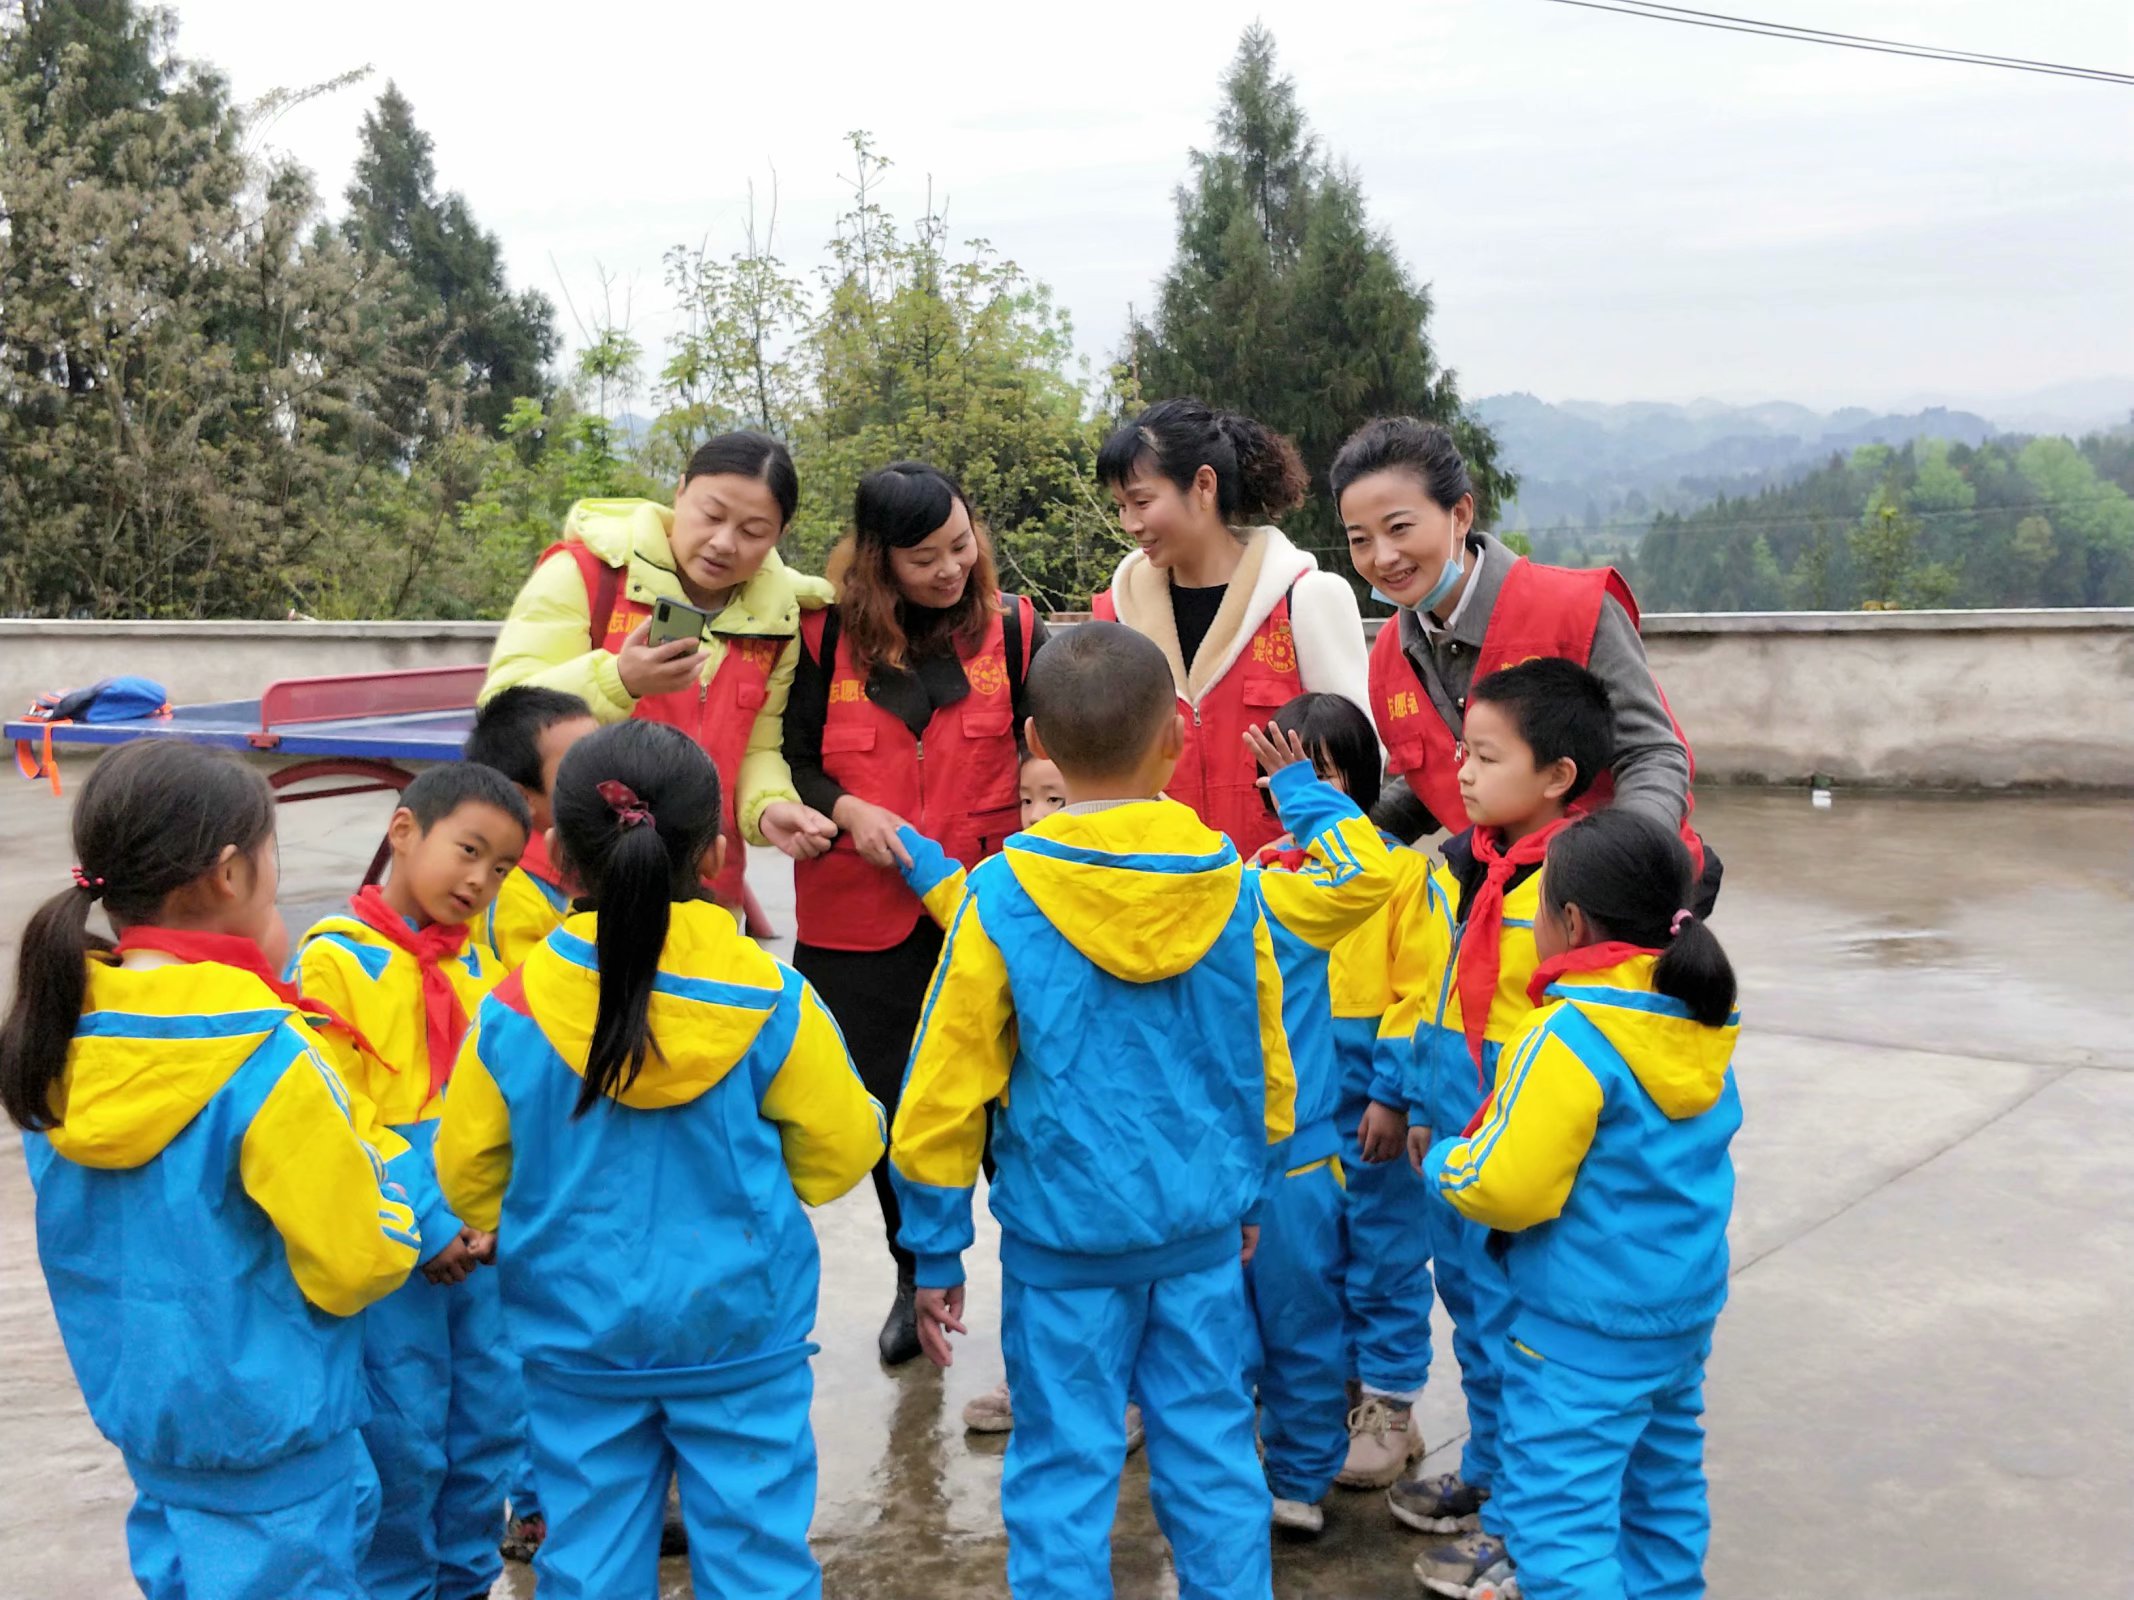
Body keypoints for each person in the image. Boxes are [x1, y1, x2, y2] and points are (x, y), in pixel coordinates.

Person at [890, 621, 1299, 1600]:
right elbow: (1264, 1059)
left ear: (1035, 742)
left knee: (1063, 1469)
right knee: (1213, 1453)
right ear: (1177, 738)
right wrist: (1250, 1191)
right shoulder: (1232, 884)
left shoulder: (1000, 895)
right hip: (1199, 1234)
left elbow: (943, 1087)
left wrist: (936, 1248)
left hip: (1062, 1245)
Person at [434, 720, 885, 1600]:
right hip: (739, 1333)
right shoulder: (771, 999)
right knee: (759, 1565)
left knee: (589, 1563)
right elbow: (837, 1158)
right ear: (715, 854)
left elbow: (468, 1176)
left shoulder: (513, 1009)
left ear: (558, 856)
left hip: (576, 1339)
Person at [1, 741, 420, 1600]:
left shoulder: (58, 1038)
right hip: (277, 1446)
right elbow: (357, 1263)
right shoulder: (268, 1057)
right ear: (230, 874)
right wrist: (398, 1199)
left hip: (155, 1441)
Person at [1418, 809, 1742, 1600]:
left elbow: (1509, 1187)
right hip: (1677, 1321)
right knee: (1661, 1500)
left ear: (1569, 922)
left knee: (1557, 1527)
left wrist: (1446, 1164)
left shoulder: (1565, 1034)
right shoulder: (1698, 1021)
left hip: (1578, 1335)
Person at [780, 461, 1049, 1365]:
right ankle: (912, 1275)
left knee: (1017, 1107)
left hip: (988, 912)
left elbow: (1055, 756)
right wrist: (843, 806)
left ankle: (1045, 1285)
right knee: (890, 1111)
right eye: (924, 557)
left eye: (961, 546)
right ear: (878, 560)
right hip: (857, 923)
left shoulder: (1015, 631)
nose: (950, 569)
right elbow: (787, 760)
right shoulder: (821, 637)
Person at [1387, 659, 1614, 1596]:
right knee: (1477, 1327)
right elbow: (1438, 991)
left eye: (1486, 757)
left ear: (1557, 775)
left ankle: (1522, 1527)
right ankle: (1489, 1473)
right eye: (1462, 753)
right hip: (1455, 1142)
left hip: (1514, 1161)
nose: (1464, 773)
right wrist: (1418, 1102)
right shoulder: (1476, 864)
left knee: (1520, 1339)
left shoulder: (1574, 890)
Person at [294, 764, 532, 1600]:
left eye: (501, 868)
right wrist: (430, 1223)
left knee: (488, 1426)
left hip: (480, 1249)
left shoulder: (481, 974)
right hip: (395, 1247)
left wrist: (496, 1214)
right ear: (403, 832)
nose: (479, 881)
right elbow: (339, 1117)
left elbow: (501, 1110)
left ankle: (466, 1584)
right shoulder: (332, 964)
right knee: (402, 1437)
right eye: (468, 850)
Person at [1332, 417, 1719, 910]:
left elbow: (1651, 754)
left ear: (1460, 514)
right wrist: (1334, 838)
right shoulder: (1390, 656)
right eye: (1360, 539)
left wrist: (1619, 864)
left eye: (1399, 528)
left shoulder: (1574, 609)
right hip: (1502, 901)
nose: (1383, 557)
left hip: (1617, 900)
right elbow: (1436, 773)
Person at [479, 431, 840, 920]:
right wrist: (618, 681)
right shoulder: (589, 574)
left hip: (700, 890)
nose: (723, 543)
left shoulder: (777, 620)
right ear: (680, 491)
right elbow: (503, 709)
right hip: (565, 881)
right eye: (711, 515)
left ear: (781, 533)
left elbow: (757, 746)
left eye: (753, 531)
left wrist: (770, 806)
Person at [1254, 694, 1452, 1495]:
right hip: (1300, 1117)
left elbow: (1423, 993)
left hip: (1371, 1108)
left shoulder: (1404, 875)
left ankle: (1390, 1403)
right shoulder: (1266, 872)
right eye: (1289, 773)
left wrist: (1395, 1095)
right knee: (1312, 1262)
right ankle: (1332, 1393)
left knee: (1385, 1255)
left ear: (1362, 779)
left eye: (1324, 774)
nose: (1306, 789)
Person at [1232, 717, 1403, 1536]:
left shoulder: (1270, 893)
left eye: (1325, 775)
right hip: (1245, 1157)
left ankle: (1296, 1473)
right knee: (1225, 1333)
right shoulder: (1255, 883)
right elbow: (1359, 870)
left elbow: (1370, 873)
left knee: (1301, 1322)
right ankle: (1242, 1469)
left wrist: (1303, 797)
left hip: (1293, 1156)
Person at [1095, 397, 1369, 858]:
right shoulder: (1116, 615)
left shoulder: (1303, 598)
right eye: (1121, 506)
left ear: (1203, 485)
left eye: (1142, 502)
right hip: (1162, 882)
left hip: (1286, 884)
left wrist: (1297, 857)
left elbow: (1359, 762)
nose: (1130, 524)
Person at [465, 685, 600, 974]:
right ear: (522, 799)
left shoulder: (608, 848)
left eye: (604, 754)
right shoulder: (508, 894)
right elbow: (529, 990)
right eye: (580, 767)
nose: (606, 775)